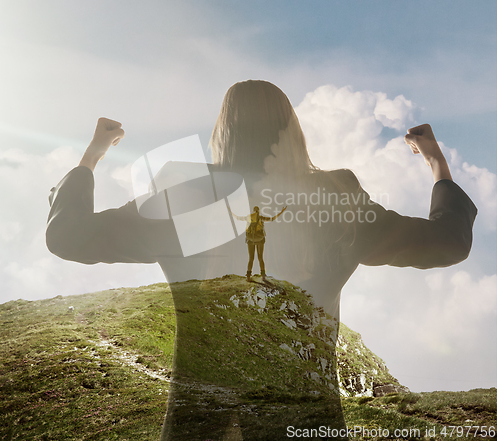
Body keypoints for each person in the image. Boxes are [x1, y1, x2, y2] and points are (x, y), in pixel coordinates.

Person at [46, 80, 477, 440]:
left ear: (222, 132)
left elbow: (69, 237)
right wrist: (437, 163)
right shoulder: (333, 200)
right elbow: (447, 241)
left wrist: (93, 155)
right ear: (291, 130)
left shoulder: (187, 197)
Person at [231, 205, 287, 280]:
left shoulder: (248, 217)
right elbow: (272, 219)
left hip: (250, 240)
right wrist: (281, 212)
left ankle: (248, 275)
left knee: (251, 258)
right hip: (260, 239)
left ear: (253, 211)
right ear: (258, 211)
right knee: (260, 258)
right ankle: (263, 275)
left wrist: (230, 212)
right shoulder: (261, 218)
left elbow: (238, 218)